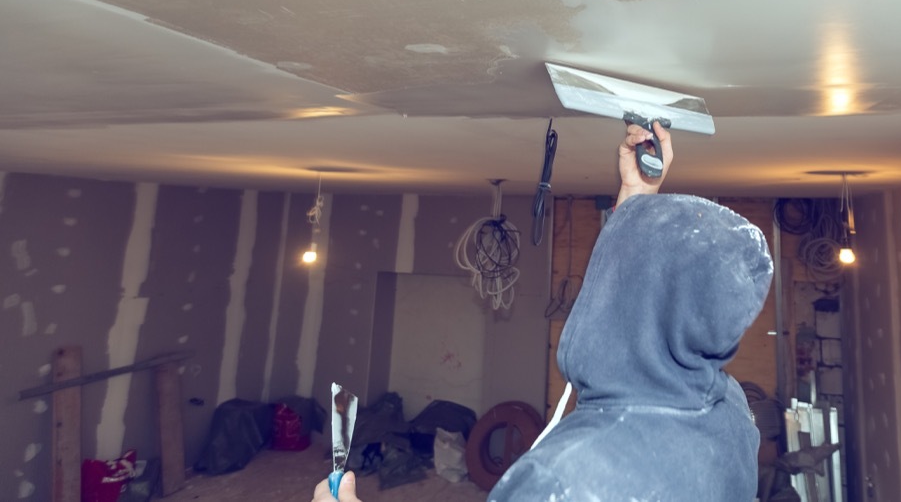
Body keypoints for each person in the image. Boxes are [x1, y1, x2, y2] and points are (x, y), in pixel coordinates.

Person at [313, 121, 773, 501]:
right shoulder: (729, 414)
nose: (601, 289)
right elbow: (640, 286)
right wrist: (637, 195)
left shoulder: (567, 477)